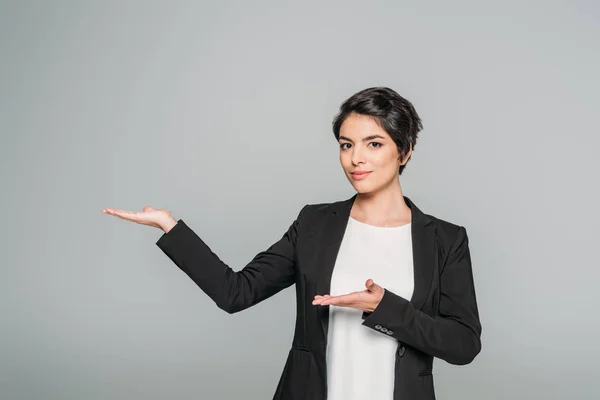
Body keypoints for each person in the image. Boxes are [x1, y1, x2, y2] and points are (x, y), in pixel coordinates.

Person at [103, 87, 482, 399]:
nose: (356, 159)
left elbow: (464, 344)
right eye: (346, 145)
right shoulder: (315, 224)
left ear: (405, 151)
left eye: (374, 144)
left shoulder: (444, 240)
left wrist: (386, 308)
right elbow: (236, 292)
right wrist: (170, 227)